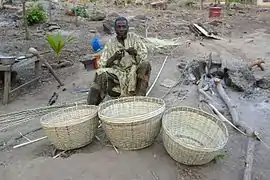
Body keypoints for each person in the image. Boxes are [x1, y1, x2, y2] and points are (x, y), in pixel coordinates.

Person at [87, 16, 151, 105]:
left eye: (124, 27)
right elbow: (102, 64)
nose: (121, 29)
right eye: (119, 27)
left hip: (133, 72)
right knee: (100, 72)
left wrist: (135, 53)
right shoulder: (110, 43)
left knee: (146, 64)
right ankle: (92, 105)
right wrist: (114, 58)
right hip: (117, 74)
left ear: (128, 28)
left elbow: (144, 57)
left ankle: (140, 97)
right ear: (115, 28)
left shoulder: (135, 39)